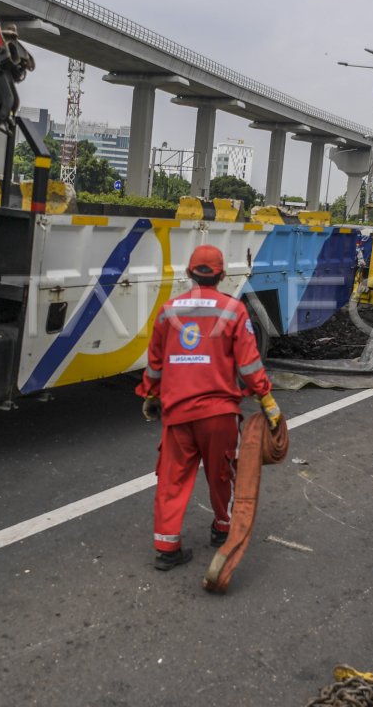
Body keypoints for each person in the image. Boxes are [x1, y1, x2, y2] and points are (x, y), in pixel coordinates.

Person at [136, 245, 281, 571]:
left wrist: (150, 394)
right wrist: (267, 401)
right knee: (222, 475)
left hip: (177, 414)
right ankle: (222, 529)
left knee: (171, 480)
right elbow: (249, 366)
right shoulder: (233, 311)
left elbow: (155, 363)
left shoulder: (168, 311)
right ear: (221, 275)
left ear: (189, 273)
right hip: (219, 414)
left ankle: (167, 548)